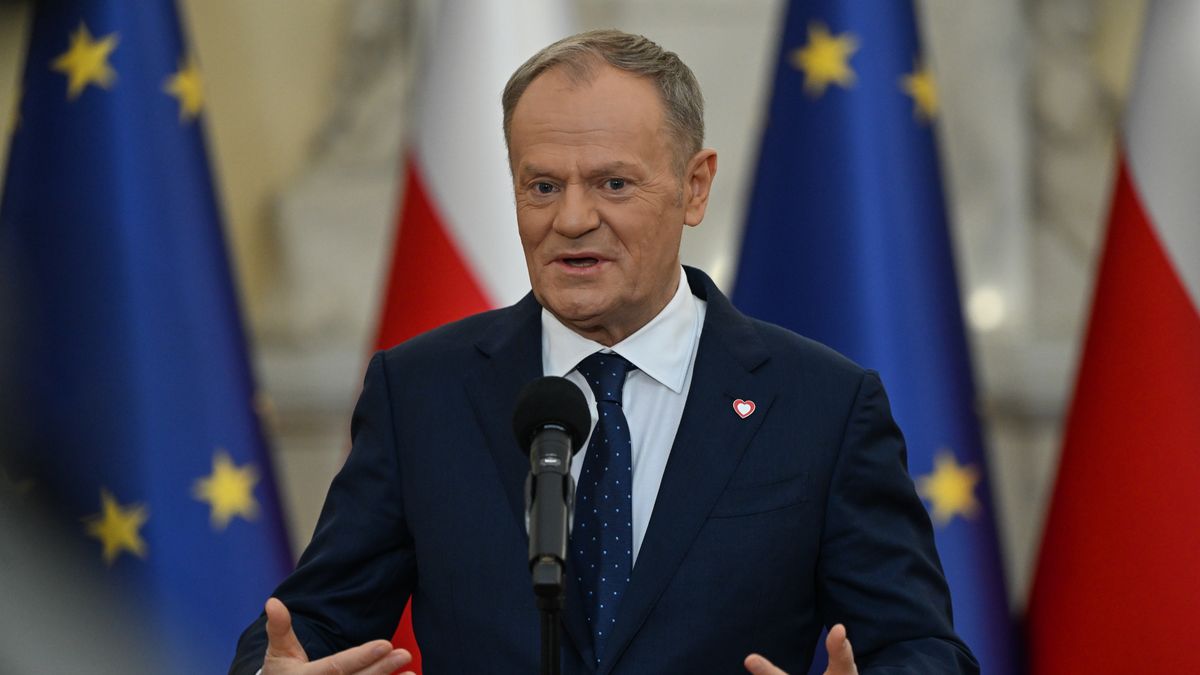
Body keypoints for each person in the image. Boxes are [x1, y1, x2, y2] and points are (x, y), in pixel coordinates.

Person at [230, 30, 978, 675]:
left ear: (694, 187)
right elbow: (312, 622)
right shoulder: (422, 391)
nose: (572, 218)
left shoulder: (823, 406)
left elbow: (919, 645)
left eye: (612, 183)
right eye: (542, 186)